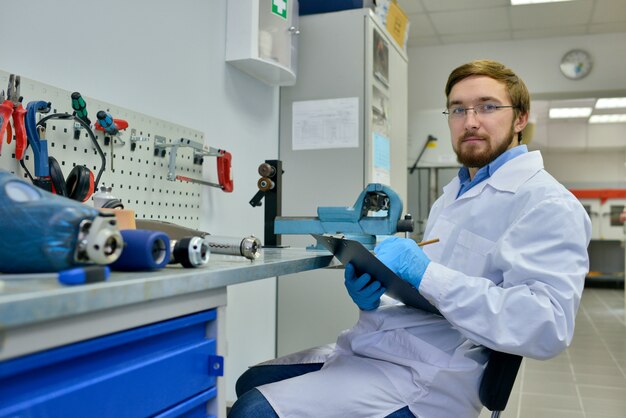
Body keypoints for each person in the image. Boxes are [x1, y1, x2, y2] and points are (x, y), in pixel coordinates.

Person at [229, 60, 591, 418]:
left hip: (432, 374)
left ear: (521, 118)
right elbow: (431, 295)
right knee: (247, 381)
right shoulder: (452, 195)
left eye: (488, 107)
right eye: (457, 110)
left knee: (251, 410)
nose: (471, 121)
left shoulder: (547, 202)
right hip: (386, 345)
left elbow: (546, 326)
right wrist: (377, 295)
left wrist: (425, 273)